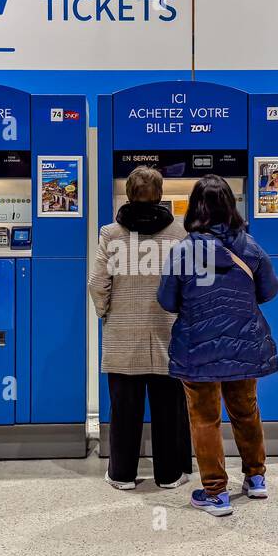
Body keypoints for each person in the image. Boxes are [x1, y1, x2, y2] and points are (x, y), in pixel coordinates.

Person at [157, 175, 278, 517]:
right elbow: (269, 291)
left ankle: (216, 493)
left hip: (198, 349)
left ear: (196, 207)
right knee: (246, 411)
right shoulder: (250, 247)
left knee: (205, 419)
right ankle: (256, 478)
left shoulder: (183, 251)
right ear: (231, 206)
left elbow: (167, 300)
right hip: (243, 344)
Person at [88, 166, 192, 490]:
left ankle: (122, 475)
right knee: (168, 410)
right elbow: (188, 284)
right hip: (167, 333)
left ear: (128, 194)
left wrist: (105, 312)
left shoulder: (111, 233)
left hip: (123, 334)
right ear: (160, 195)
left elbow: (97, 283)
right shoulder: (179, 234)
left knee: (124, 409)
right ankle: (169, 474)